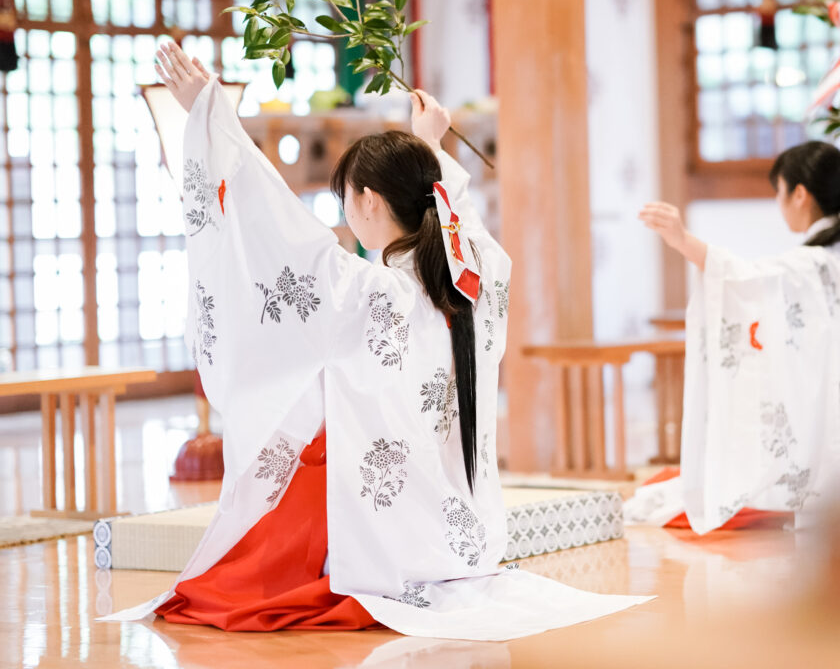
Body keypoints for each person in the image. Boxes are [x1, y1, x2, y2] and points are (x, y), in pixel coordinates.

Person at [103, 41, 649, 639]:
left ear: (367, 200)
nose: (346, 215)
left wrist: (210, 114)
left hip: (391, 538)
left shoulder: (373, 291)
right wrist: (432, 141)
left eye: (347, 200)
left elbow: (276, 226)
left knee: (299, 459)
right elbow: (455, 213)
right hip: (460, 527)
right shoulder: (477, 275)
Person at [625, 141, 840, 534]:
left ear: (799, 194)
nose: (779, 204)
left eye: (778, 192)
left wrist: (682, 239)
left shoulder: (810, 266)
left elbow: (742, 278)